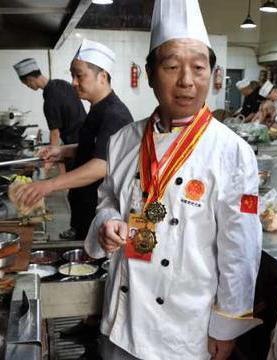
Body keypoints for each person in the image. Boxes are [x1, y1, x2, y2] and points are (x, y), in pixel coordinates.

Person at [85, 0, 262, 359]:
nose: (186, 81)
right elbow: (106, 200)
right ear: (149, 74)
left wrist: (226, 327)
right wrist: (107, 222)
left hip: (185, 331)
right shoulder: (123, 141)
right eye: (171, 66)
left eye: (199, 67)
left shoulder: (232, 151)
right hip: (122, 320)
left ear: (212, 75)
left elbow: (240, 249)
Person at [15, 39, 133, 240]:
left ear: (102, 76)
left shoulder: (114, 114)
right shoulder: (98, 108)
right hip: (85, 203)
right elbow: (96, 147)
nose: (73, 82)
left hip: (102, 210)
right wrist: (62, 150)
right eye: (72, 75)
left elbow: (101, 165)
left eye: (79, 75)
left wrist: (48, 185)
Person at [13, 58, 86, 146]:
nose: (28, 86)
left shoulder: (50, 101)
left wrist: (51, 156)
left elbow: (55, 134)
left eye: (27, 84)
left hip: (77, 144)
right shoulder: (62, 83)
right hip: (88, 134)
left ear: (30, 79)